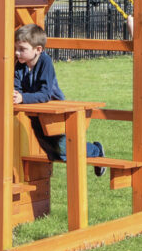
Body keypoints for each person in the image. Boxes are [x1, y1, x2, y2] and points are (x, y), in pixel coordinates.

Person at [12, 24, 106, 176]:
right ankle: (91, 152)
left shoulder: (45, 63)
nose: (17, 53)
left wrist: (22, 97)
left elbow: (44, 95)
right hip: (34, 112)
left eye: (22, 49)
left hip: (54, 114)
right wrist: (15, 95)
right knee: (53, 153)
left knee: (62, 148)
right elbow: (16, 87)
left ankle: (95, 150)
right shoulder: (20, 66)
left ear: (38, 50)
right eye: (16, 48)